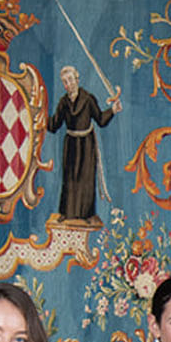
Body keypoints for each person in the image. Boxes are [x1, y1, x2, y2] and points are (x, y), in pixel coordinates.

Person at [48, 65, 121, 225]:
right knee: (70, 179)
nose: (68, 84)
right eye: (65, 82)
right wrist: (40, 117)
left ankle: (87, 214)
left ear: (77, 80)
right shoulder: (63, 102)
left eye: (71, 80)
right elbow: (54, 125)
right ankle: (67, 213)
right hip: (71, 144)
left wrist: (113, 111)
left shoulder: (88, 99)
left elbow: (101, 120)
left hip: (86, 144)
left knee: (86, 179)